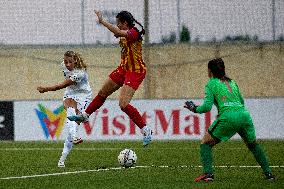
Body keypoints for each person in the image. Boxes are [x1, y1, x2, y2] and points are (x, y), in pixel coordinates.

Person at [68, 10, 152, 146]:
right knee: (102, 93)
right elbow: (118, 33)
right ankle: (85, 115)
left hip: (135, 71)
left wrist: (102, 21)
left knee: (123, 104)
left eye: (119, 23)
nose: (117, 26)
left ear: (125, 23)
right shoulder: (125, 32)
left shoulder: (134, 32)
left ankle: (145, 129)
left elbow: (119, 33)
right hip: (123, 69)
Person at [184, 58, 275, 182]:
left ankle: (208, 174)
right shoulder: (232, 82)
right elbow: (241, 101)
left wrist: (193, 108)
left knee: (205, 142)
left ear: (209, 71)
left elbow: (206, 107)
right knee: (253, 144)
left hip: (229, 117)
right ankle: (269, 174)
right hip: (244, 115)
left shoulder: (211, 83)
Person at [37, 50, 92, 168]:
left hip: (83, 95)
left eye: (70, 62)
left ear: (75, 61)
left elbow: (60, 86)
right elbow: (65, 87)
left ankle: (62, 159)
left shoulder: (79, 73)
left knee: (73, 126)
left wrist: (45, 89)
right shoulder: (64, 64)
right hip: (70, 93)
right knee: (69, 106)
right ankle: (74, 136)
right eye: (65, 61)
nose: (67, 64)